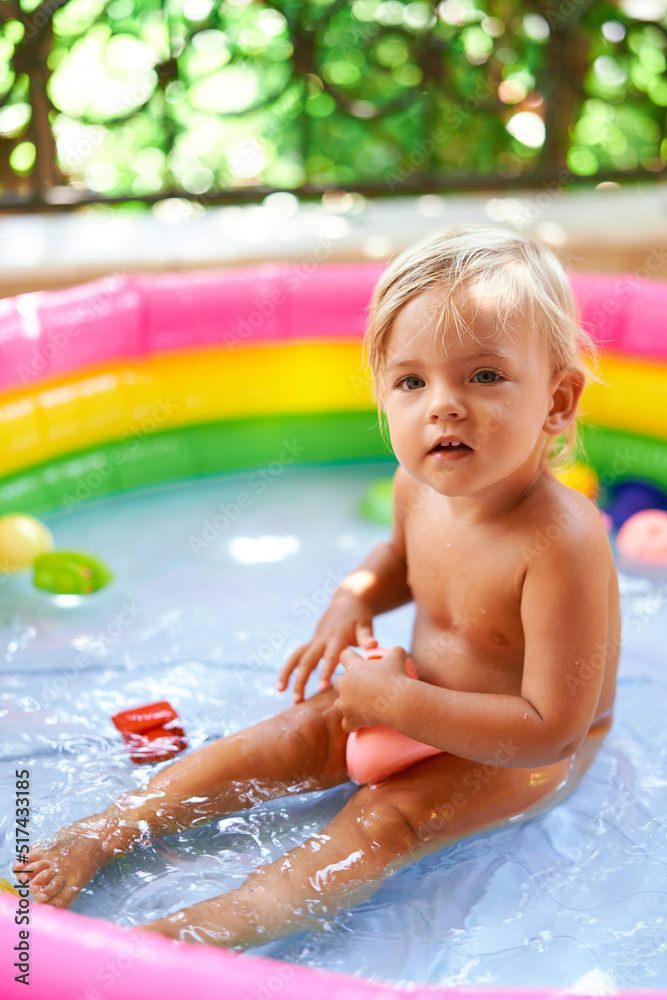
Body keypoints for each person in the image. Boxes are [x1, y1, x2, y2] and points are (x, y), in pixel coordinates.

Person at [15, 226, 620, 949]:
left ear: (556, 401)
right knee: (293, 734)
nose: (443, 405)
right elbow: (400, 557)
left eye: (483, 376)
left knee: (382, 822)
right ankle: (103, 832)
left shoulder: (564, 541)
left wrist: (398, 701)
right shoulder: (415, 486)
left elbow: (550, 729)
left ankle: (178, 943)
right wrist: (354, 599)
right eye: (411, 381)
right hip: (414, 694)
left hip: (514, 756)